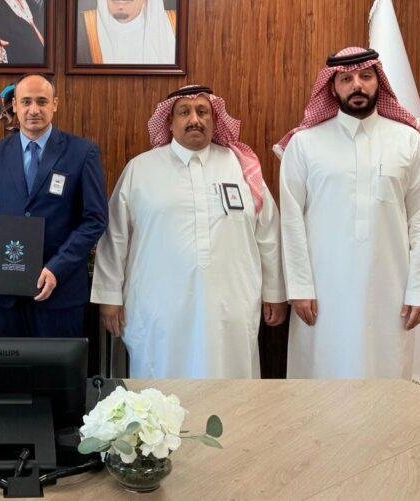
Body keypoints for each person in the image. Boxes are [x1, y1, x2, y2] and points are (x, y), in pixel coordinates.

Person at [92, 85, 286, 378]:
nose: (195, 119)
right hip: (158, 305)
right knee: (161, 384)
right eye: (184, 112)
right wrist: (109, 296)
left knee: (231, 381)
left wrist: (274, 292)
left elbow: (268, 233)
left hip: (231, 303)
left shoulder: (241, 166)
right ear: (169, 123)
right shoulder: (141, 169)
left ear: (215, 120)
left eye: (203, 112)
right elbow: (115, 236)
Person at [276, 47, 420, 379]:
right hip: (322, 292)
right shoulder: (304, 144)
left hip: (390, 289)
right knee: (322, 378)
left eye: (365, 76)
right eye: (346, 79)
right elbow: (291, 221)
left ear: (379, 82)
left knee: (386, 381)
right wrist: (300, 288)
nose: (357, 85)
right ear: (332, 87)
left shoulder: (408, 141)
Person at [0, 74, 108, 337]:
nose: (33, 109)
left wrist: (57, 268)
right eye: (26, 102)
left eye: (42, 101)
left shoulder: (82, 152)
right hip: (5, 295)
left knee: (57, 365)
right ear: (14, 106)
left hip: (60, 294)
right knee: (9, 365)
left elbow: (95, 219)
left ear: (55, 104)